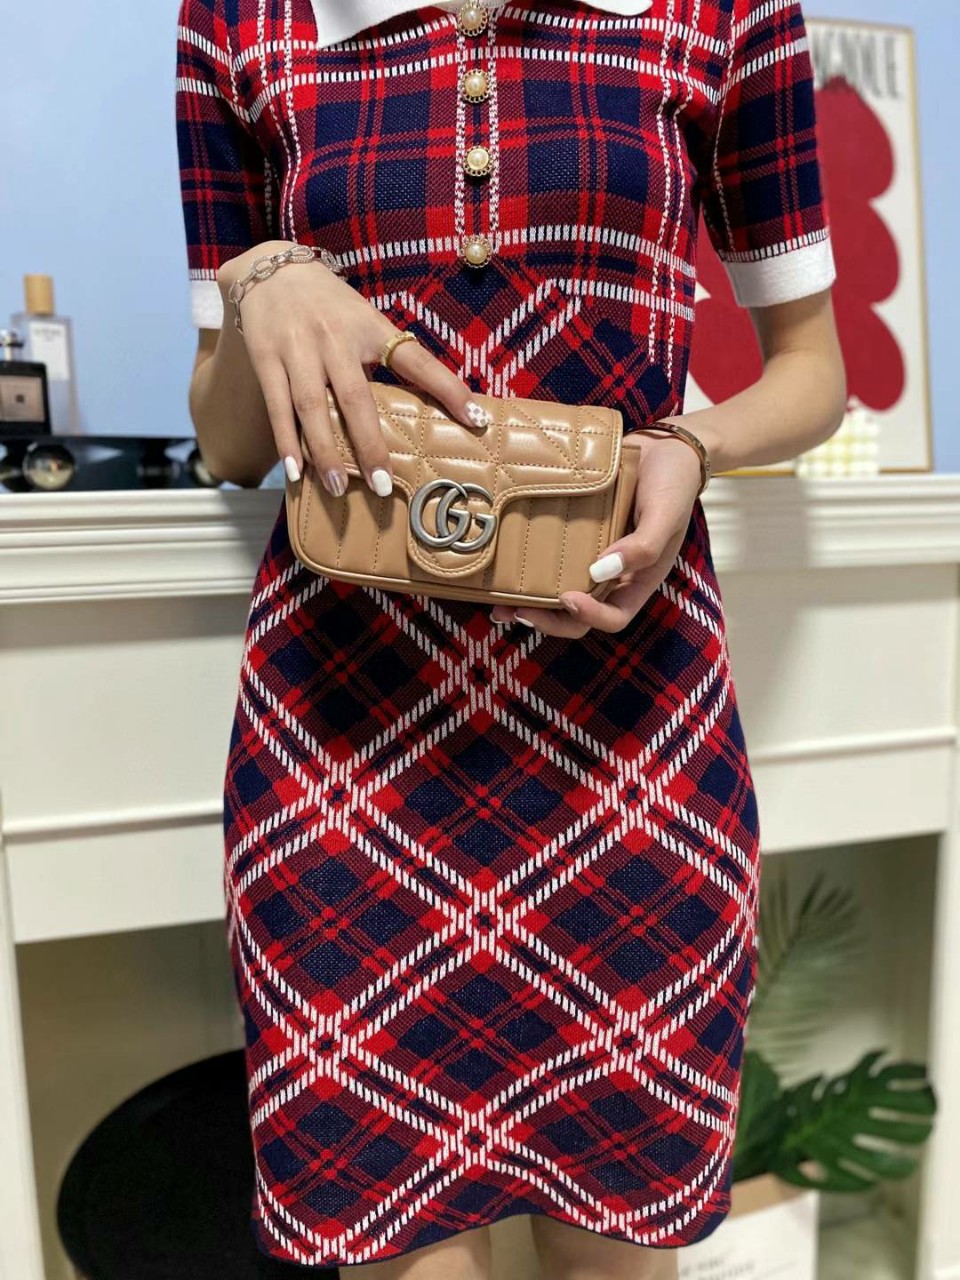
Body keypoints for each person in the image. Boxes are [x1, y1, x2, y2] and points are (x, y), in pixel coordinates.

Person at [175, 0, 846, 1276]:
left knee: (620, 1240)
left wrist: (690, 442)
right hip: (342, 733)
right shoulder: (240, 17)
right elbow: (227, 439)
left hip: (634, 723)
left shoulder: (729, 13)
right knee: (387, 1237)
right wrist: (265, 275)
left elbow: (815, 372)